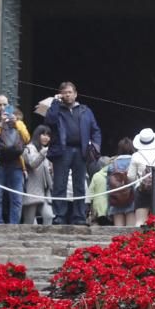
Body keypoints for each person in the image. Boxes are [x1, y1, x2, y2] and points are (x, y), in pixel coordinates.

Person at [43, 82, 102, 225]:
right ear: (61, 94)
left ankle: (79, 217)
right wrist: (55, 103)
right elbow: (49, 121)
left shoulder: (85, 110)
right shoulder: (56, 109)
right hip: (62, 151)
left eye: (70, 92)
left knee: (79, 185)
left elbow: (95, 130)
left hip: (81, 151)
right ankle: (59, 216)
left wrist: (95, 146)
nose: (67, 94)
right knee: (59, 185)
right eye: (64, 92)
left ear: (75, 94)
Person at [0, 95, 31, 224]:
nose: (2, 107)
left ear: (9, 106)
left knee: (16, 197)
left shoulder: (18, 123)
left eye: (5, 105)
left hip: (16, 164)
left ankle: (14, 225)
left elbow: (27, 138)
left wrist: (16, 123)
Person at [22, 125, 54, 225]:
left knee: (48, 216)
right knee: (29, 221)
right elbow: (33, 164)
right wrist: (43, 153)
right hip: (31, 191)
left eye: (48, 135)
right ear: (37, 135)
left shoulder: (44, 151)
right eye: (43, 134)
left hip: (44, 192)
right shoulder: (29, 148)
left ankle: (47, 240)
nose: (46, 138)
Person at [108, 137, 139, 227]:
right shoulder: (135, 162)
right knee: (130, 232)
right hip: (132, 199)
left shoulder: (112, 165)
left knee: (118, 232)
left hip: (116, 200)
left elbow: (108, 186)